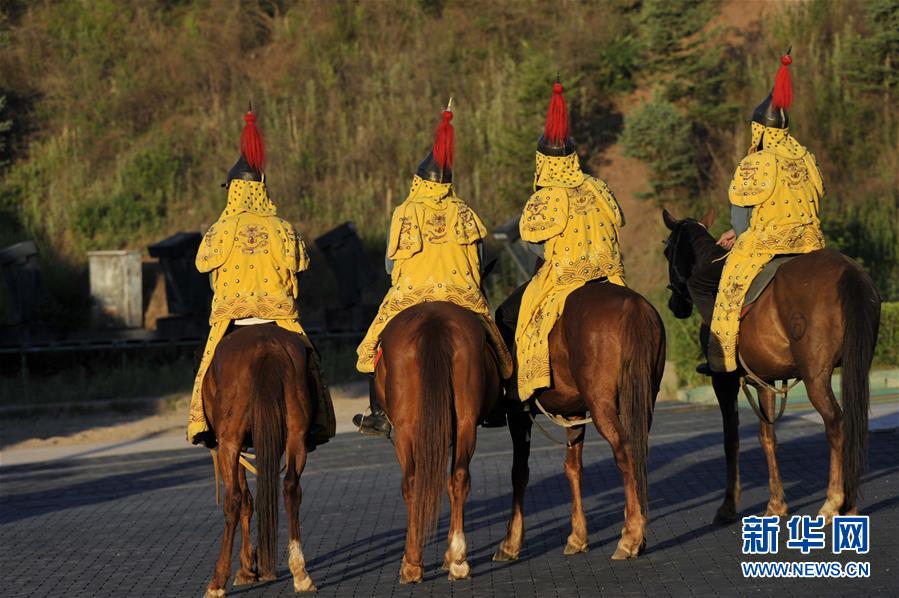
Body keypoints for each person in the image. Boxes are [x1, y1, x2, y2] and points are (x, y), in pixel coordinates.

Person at [353, 99, 513, 436]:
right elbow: (480, 260)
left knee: (372, 349)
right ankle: (497, 402)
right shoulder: (465, 213)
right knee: (498, 351)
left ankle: (379, 413)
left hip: (410, 295)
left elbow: (389, 263)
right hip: (462, 295)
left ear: (418, 182)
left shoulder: (405, 212)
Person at [187, 106, 335, 449]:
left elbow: (204, 270)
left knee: (205, 371)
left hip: (231, 319)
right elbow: (302, 266)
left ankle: (201, 424)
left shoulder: (219, 230)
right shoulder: (283, 228)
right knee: (311, 367)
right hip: (279, 317)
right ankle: (316, 424)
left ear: (233, 190)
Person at [496, 81, 626, 402]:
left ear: (543, 161)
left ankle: (516, 389)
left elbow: (535, 245)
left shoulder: (546, 196)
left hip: (563, 278)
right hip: (610, 276)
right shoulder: (598, 186)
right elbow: (616, 224)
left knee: (510, 317)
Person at [707, 51, 825, 373]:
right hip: (810, 243)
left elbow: (742, 219)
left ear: (759, 129)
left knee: (728, 290)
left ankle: (722, 358)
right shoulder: (805, 157)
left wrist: (740, 232)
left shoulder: (756, 162)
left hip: (767, 244)